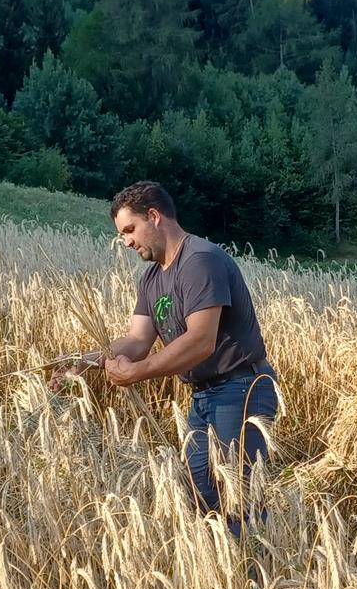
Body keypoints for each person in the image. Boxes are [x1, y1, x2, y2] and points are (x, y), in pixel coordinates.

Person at [88, 180, 279, 534]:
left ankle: (254, 577)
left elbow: (200, 341)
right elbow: (137, 340)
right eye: (122, 234)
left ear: (155, 217)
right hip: (205, 395)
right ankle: (219, 577)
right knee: (200, 493)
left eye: (130, 230)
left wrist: (137, 373)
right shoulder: (151, 279)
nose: (126, 241)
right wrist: (88, 361)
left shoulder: (199, 261)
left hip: (240, 388)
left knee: (239, 501)